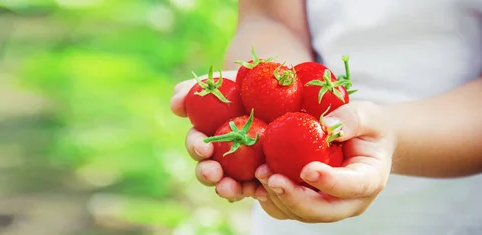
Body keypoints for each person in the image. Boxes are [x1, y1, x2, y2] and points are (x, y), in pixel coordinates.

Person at [170, 0, 482, 234]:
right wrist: (279, 92)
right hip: (291, 191)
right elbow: (268, 17)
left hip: (449, 211)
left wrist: (392, 138)